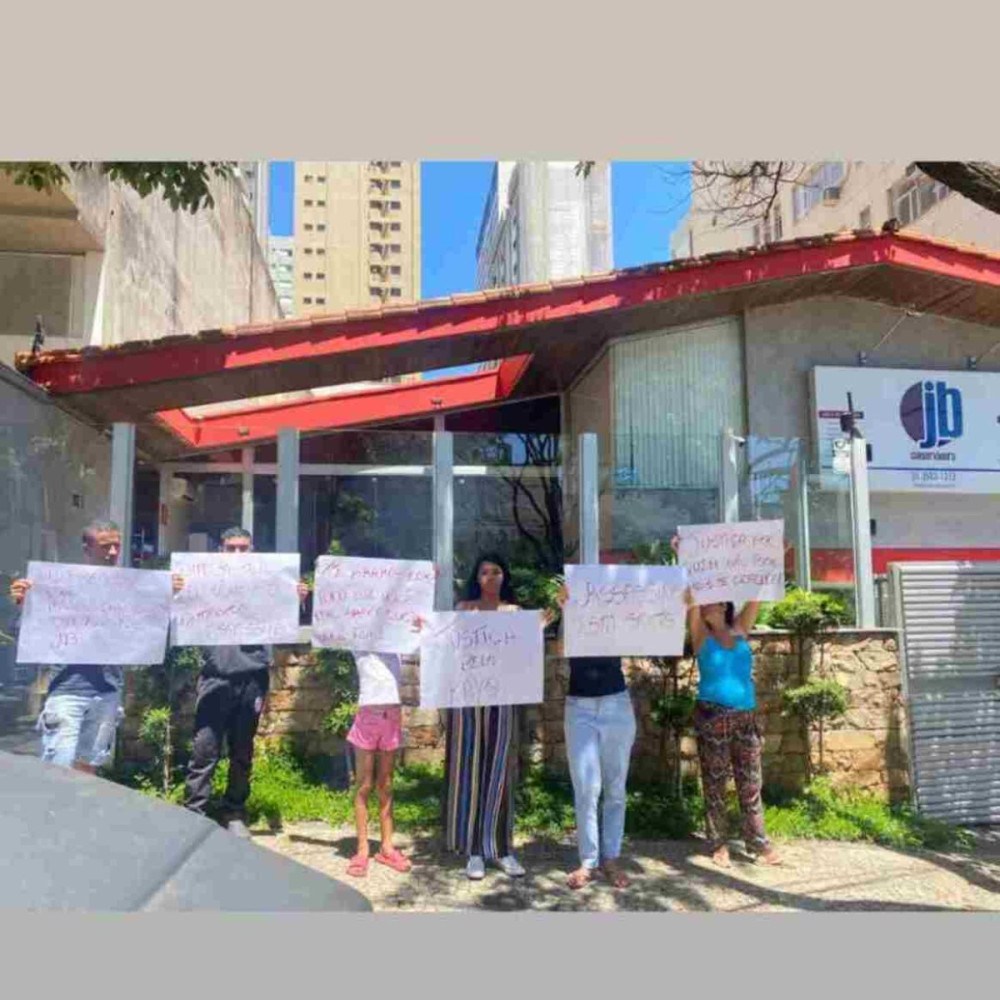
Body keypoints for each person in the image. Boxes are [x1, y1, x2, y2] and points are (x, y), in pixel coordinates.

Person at [8, 519, 180, 774]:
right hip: (67, 690)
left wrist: (168, 593)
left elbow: (146, 624)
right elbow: (30, 629)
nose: (112, 552)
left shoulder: (132, 588)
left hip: (108, 691)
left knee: (88, 769)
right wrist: (25, 601)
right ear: (87, 549)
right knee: (57, 768)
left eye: (116, 546)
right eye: (105, 546)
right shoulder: (60, 585)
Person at [174, 527, 309, 838]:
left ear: (252, 551)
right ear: (221, 550)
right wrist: (175, 591)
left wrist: (296, 600)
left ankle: (234, 811)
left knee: (242, 749)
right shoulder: (203, 580)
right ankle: (195, 811)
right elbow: (176, 615)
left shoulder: (269, 582)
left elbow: (286, 622)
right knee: (204, 748)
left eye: (243, 548)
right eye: (231, 548)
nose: (237, 554)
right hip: (216, 676)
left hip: (252, 677)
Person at [436, 552, 553, 880]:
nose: (490, 577)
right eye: (484, 571)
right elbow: (443, 642)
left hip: (502, 699)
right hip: (468, 700)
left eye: (496, 571)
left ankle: (501, 848)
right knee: (469, 770)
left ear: (504, 577)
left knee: (501, 770)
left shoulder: (514, 613)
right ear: (477, 577)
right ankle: (473, 849)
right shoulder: (464, 609)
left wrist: (549, 616)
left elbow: (528, 646)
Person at [673, 536, 781, 868]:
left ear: (722, 605)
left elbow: (758, 592)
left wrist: (773, 558)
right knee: (715, 782)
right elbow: (690, 596)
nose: (706, 603)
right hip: (712, 715)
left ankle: (758, 844)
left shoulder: (739, 630)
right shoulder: (700, 634)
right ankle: (718, 844)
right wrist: (683, 555)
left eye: (712, 600)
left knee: (750, 782)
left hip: (746, 716)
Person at [554, 583, 635, 890]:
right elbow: (561, 650)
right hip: (580, 707)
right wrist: (565, 610)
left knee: (615, 786)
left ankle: (610, 858)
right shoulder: (573, 615)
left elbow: (650, 626)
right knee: (587, 788)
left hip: (616, 703)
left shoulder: (619, 619)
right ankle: (588, 861)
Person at [344, 650, 412, 877]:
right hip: (367, 716)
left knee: (386, 785)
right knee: (364, 785)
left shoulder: (397, 642)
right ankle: (362, 849)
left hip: (391, 717)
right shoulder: (361, 643)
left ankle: (386, 847)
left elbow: (425, 636)